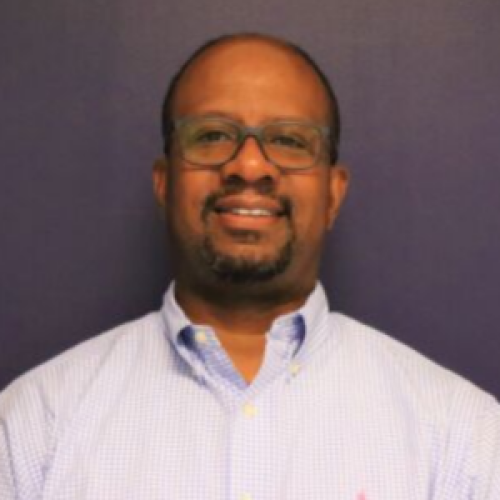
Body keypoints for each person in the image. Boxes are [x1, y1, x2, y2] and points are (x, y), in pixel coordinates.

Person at [1, 33, 499, 500]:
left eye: (289, 140)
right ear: (163, 183)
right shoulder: (32, 428)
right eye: (213, 135)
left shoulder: (462, 438)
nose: (250, 166)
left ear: (332, 193)